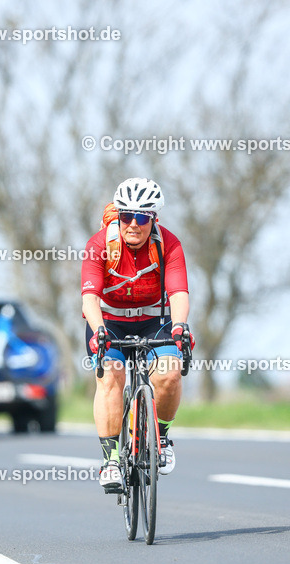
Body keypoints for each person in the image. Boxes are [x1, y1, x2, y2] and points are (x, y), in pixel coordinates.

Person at [81, 177, 195, 491]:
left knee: (170, 375)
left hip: (154, 319)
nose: (134, 224)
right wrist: (99, 330)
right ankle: (112, 460)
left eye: (142, 217)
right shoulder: (100, 244)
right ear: (118, 216)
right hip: (109, 322)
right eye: (126, 216)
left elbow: (178, 293)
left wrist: (179, 326)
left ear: (153, 218)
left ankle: (161, 435)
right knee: (111, 378)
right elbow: (89, 297)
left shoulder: (168, 244)